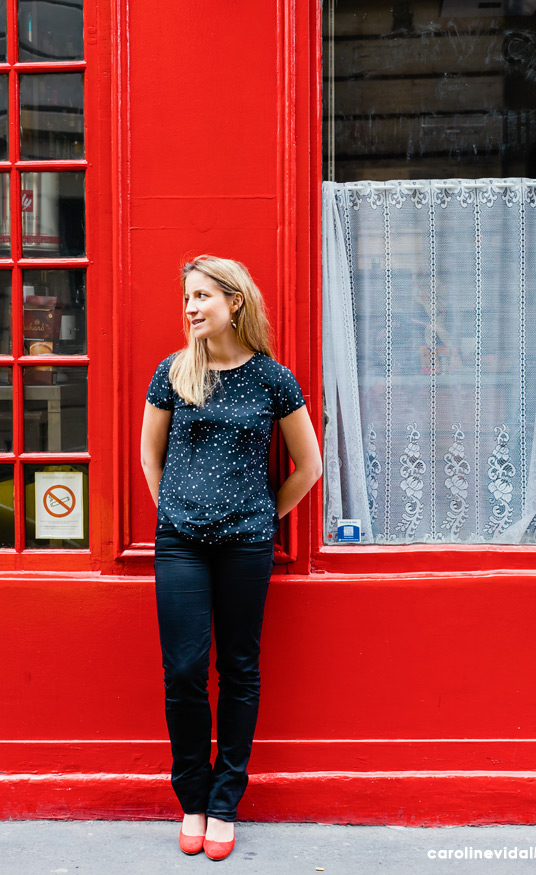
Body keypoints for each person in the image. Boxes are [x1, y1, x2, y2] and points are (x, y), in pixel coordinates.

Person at [140, 255, 322, 861]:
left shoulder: (274, 379)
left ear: (234, 302)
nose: (191, 307)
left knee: (239, 667)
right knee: (185, 670)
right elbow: (150, 457)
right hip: (182, 543)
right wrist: (174, 512)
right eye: (187, 298)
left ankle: (224, 802)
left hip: (246, 542)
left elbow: (309, 467)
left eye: (202, 297)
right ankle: (192, 795)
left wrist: (265, 515)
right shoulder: (173, 373)